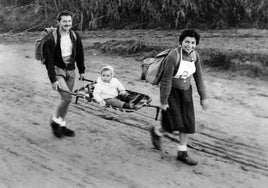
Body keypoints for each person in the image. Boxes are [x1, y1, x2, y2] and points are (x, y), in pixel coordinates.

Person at [150, 29, 209, 165]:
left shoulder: (195, 56)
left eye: (193, 42)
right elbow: (166, 80)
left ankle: (182, 153)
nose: (190, 45)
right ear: (181, 42)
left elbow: (198, 77)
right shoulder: (173, 56)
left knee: (187, 123)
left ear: (196, 44)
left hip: (186, 93)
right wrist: (163, 101)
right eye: (187, 42)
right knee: (172, 124)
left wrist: (203, 97)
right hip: (171, 93)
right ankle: (157, 131)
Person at [43, 10, 85, 138]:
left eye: (69, 21)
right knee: (67, 97)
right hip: (58, 70)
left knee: (66, 101)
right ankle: (55, 123)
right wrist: (53, 80)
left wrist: (82, 70)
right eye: (64, 21)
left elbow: (79, 54)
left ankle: (61, 124)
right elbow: (48, 62)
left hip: (71, 71)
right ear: (59, 22)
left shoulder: (75, 35)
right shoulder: (51, 39)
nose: (67, 23)